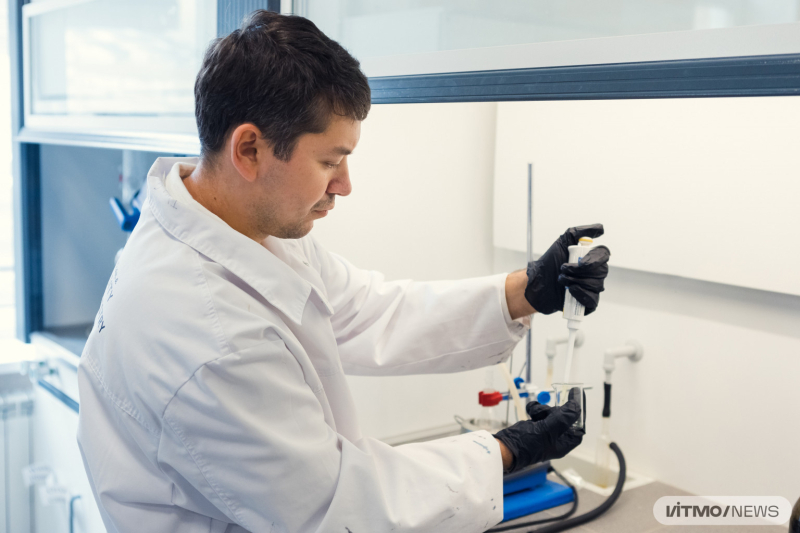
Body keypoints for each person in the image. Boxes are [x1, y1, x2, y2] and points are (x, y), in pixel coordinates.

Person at [76, 10, 610, 533]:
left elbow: (368, 310)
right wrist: (506, 451)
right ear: (249, 149)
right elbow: (336, 503)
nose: (345, 185)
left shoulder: (238, 230)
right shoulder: (206, 336)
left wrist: (525, 291)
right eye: (330, 162)